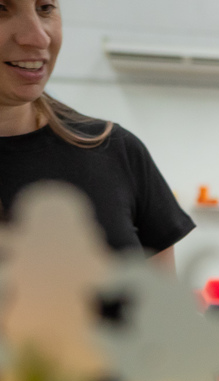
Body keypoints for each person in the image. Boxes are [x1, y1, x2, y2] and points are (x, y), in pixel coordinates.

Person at [0, 0, 194, 267]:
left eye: (45, 7)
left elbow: (163, 293)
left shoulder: (115, 150)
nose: (39, 38)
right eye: (1, 8)